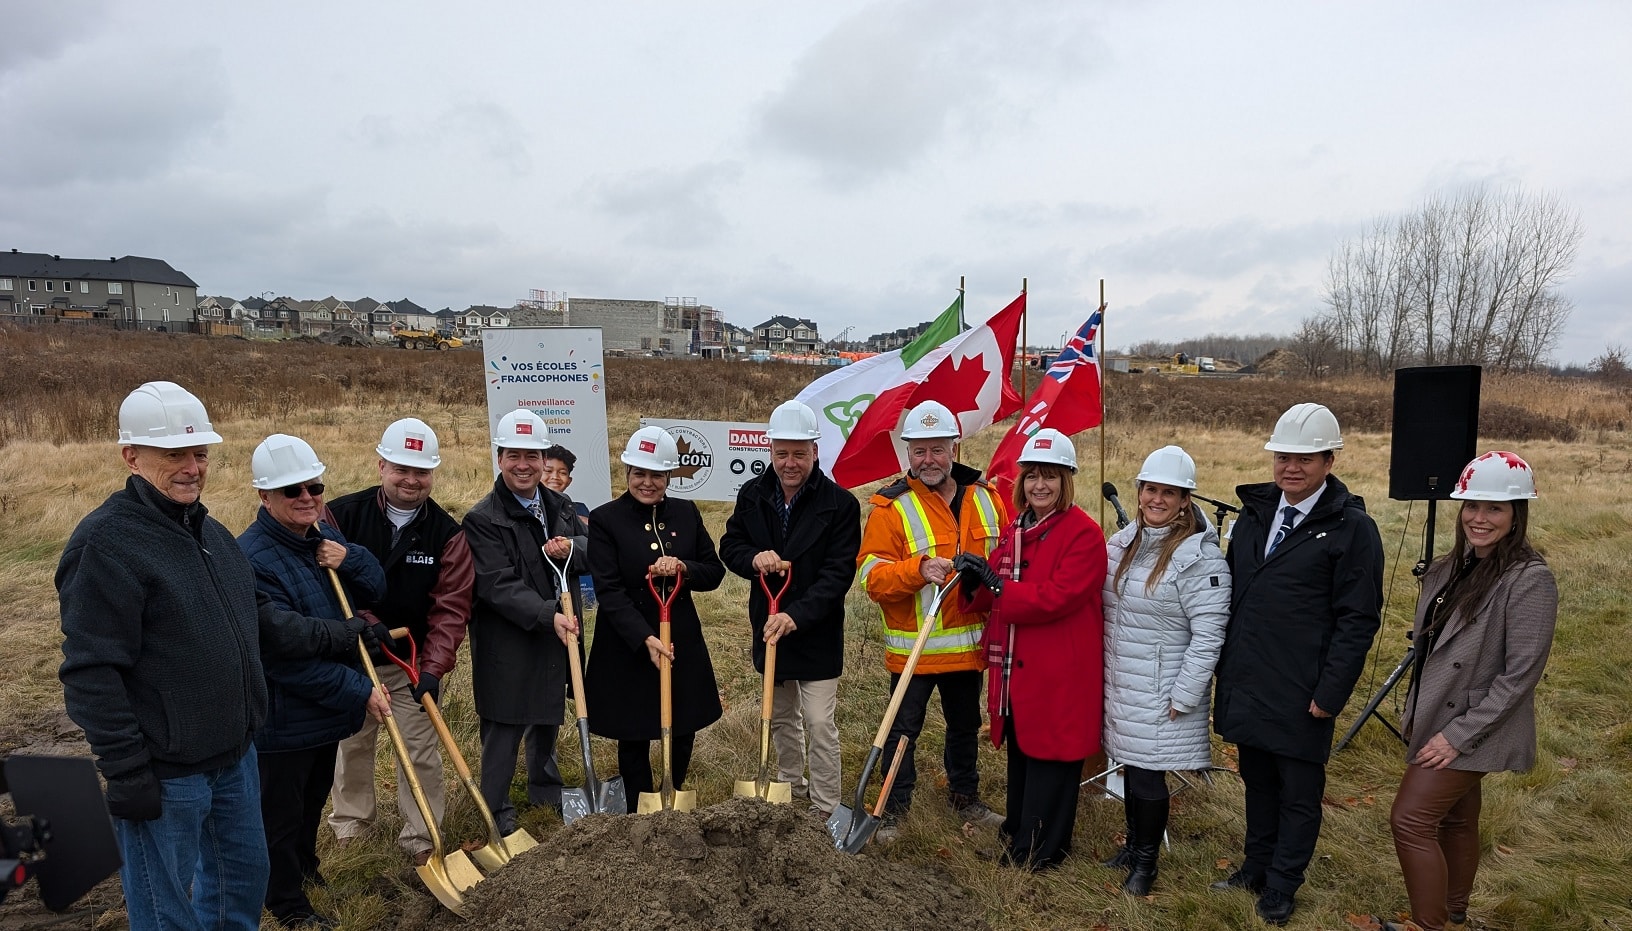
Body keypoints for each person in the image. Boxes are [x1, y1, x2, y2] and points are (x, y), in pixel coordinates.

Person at [57, 382, 381, 931]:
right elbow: (91, 671)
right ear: (130, 456)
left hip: (235, 758)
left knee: (240, 889)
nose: (191, 467)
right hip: (165, 770)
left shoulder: (211, 534)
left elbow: (253, 627)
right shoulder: (107, 544)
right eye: (174, 455)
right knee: (167, 912)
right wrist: (127, 768)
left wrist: (337, 638)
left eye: (200, 454)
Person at [1212, 402, 1384, 925]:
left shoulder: (1352, 530)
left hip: (1303, 688)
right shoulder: (1255, 515)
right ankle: (1255, 867)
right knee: (1258, 783)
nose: (1291, 467)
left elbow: (1358, 620)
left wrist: (1330, 693)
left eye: (1306, 458)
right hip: (1248, 678)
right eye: (1283, 456)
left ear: (1329, 462)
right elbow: (1231, 591)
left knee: (1298, 793)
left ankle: (1283, 884)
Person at [1374, 452, 1557, 931]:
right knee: (1455, 821)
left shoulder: (1529, 579)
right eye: (1472, 506)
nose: (1479, 518)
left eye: (1494, 509)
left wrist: (1458, 735)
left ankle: (1429, 925)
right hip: (1436, 712)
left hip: (1473, 725)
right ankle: (1453, 912)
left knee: (1410, 822)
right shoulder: (1448, 569)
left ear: (1517, 514)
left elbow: (1521, 674)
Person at [237, 433, 392, 929]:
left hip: (322, 716)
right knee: (278, 818)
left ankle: (305, 869)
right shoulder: (253, 558)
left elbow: (375, 588)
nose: (307, 497)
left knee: (310, 803)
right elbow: (280, 654)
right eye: (292, 491)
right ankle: (285, 902)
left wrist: (352, 559)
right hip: (283, 718)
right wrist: (358, 686)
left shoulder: (322, 538)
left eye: (315, 487)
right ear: (265, 496)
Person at [953, 428, 1105, 870]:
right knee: (1023, 757)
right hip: (1019, 669)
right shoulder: (1016, 528)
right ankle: (1016, 836)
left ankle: (1041, 851)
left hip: (1059, 670)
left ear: (1066, 481)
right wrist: (975, 580)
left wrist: (999, 584)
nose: (1040, 485)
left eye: (1051, 477)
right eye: (1033, 476)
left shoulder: (1084, 534)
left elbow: (1058, 596)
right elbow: (995, 594)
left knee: (1051, 761)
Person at [857, 400, 1010, 835]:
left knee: (964, 727)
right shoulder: (891, 508)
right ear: (908, 453)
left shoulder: (987, 498)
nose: (928, 460)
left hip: (969, 648)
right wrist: (918, 569)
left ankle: (966, 799)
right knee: (902, 731)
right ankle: (893, 808)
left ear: (954, 449)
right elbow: (872, 579)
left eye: (937, 450)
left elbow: (1006, 561)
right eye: (919, 451)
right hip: (915, 650)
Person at [327, 418, 475, 865]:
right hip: (354, 658)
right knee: (352, 743)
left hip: (412, 659)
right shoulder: (342, 514)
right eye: (401, 468)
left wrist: (432, 671)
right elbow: (328, 584)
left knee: (422, 751)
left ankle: (422, 836)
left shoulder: (447, 533)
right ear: (381, 466)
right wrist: (363, 624)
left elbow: (451, 608)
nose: (411, 479)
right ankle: (351, 825)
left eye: (422, 471)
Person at [719, 400, 861, 819]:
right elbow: (730, 545)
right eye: (782, 453)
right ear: (771, 452)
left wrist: (795, 615)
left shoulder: (840, 504)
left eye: (799, 453)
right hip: (768, 626)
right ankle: (790, 790)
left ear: (815, 452)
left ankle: (824, 805)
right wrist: (753, 558)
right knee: (780, 718)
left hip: (813, 629)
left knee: (818, 723)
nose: (790, 462)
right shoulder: (753, 494)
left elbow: (838, 576)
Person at [1100, 445, 1230, 894]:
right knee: (1132, 769)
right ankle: (1132, 847)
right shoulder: (1123, 544)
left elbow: (1209, 634)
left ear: (1185, 500)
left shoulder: (1199, 558)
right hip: (1123, 681)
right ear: (1138, 491)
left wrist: (1185, 694)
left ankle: (1146, 865)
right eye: (1150, 489)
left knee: (1149, 776)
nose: (1157, 499)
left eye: (1168, 493)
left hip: (1163, 687)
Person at [585, 426, 726, 810]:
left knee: (682, 726)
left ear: (668, 477)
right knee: (633, 731)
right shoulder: (605, 520)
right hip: (627, 638)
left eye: (657, 476)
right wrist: (644, 638)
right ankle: (637, 806)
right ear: (627, 471)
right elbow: (609, 591)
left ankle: (672, 793)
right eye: (639, 474)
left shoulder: (686, 512)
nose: (647, 483)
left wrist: (684, 566)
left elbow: (714, 572)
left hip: (680, 634)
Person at [462, 410, 588, 832]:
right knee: (505, 720)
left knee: (548, 708)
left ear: (543, 458)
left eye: (532, 455)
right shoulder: (483, 519)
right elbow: (497, 584)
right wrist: (545, 614)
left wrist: (572, 547)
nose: (523, 464)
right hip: (509, 635)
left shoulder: (561, 506)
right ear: (500, 458)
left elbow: (588, 553)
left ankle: (546, 788)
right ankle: (495, 807)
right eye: (514, 455)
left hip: (557, 627)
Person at [542, 443, 596, 610]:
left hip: (568, 603)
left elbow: (594, 549)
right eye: (548, 471)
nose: (555, 477)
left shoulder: (570, 508)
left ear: (569, 480)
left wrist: (570, 546)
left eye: (562, 473)